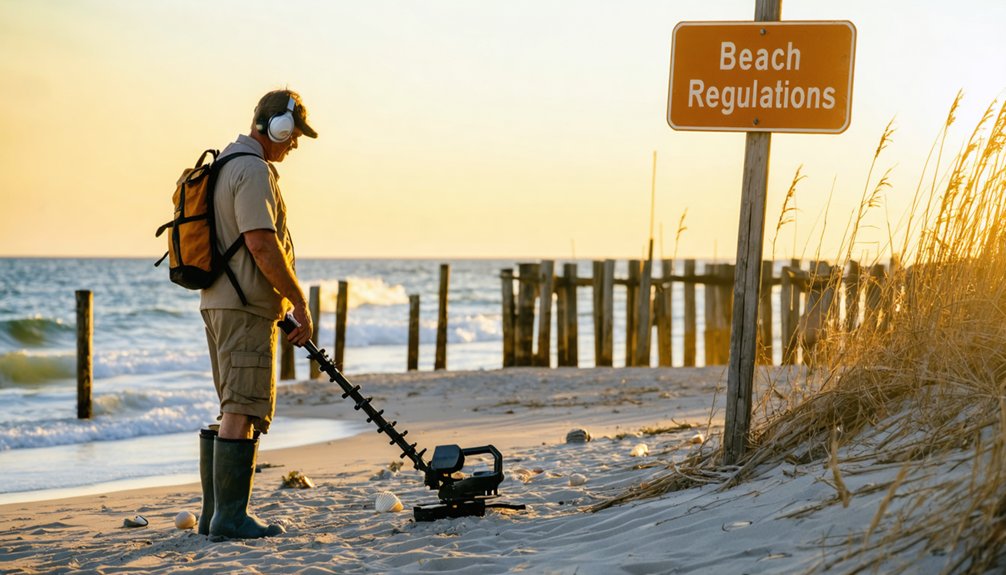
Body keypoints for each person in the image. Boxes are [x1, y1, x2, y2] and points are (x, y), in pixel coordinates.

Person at [197, 89, 317, 539]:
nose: (295, 145)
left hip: (218, 301)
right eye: (293, 135)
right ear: (277, 127)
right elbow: (261, 244)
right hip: (244, 306)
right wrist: (298, 300)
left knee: (232, 401)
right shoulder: (251, 169)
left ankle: (214, 515)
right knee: (242, 406)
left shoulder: (225, 163)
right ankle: (229, 518)